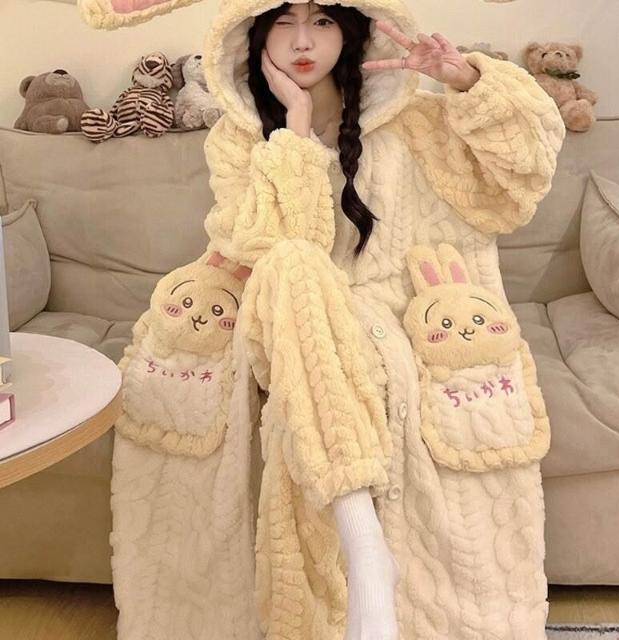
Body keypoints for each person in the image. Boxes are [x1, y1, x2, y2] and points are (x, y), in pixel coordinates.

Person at [78, 1, 566, 639]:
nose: (303, 41)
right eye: (283, 21)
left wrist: (466, 79)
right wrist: (297, 128)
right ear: (252, 35)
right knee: (290, 264)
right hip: (277, 310)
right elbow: (274, 244)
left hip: (389, 311)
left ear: (352, 30)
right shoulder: (236, 137)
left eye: (323, 22)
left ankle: (359, 547)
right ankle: (366, 550)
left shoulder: (416, 122)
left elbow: (523, 178)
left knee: (296, 277)